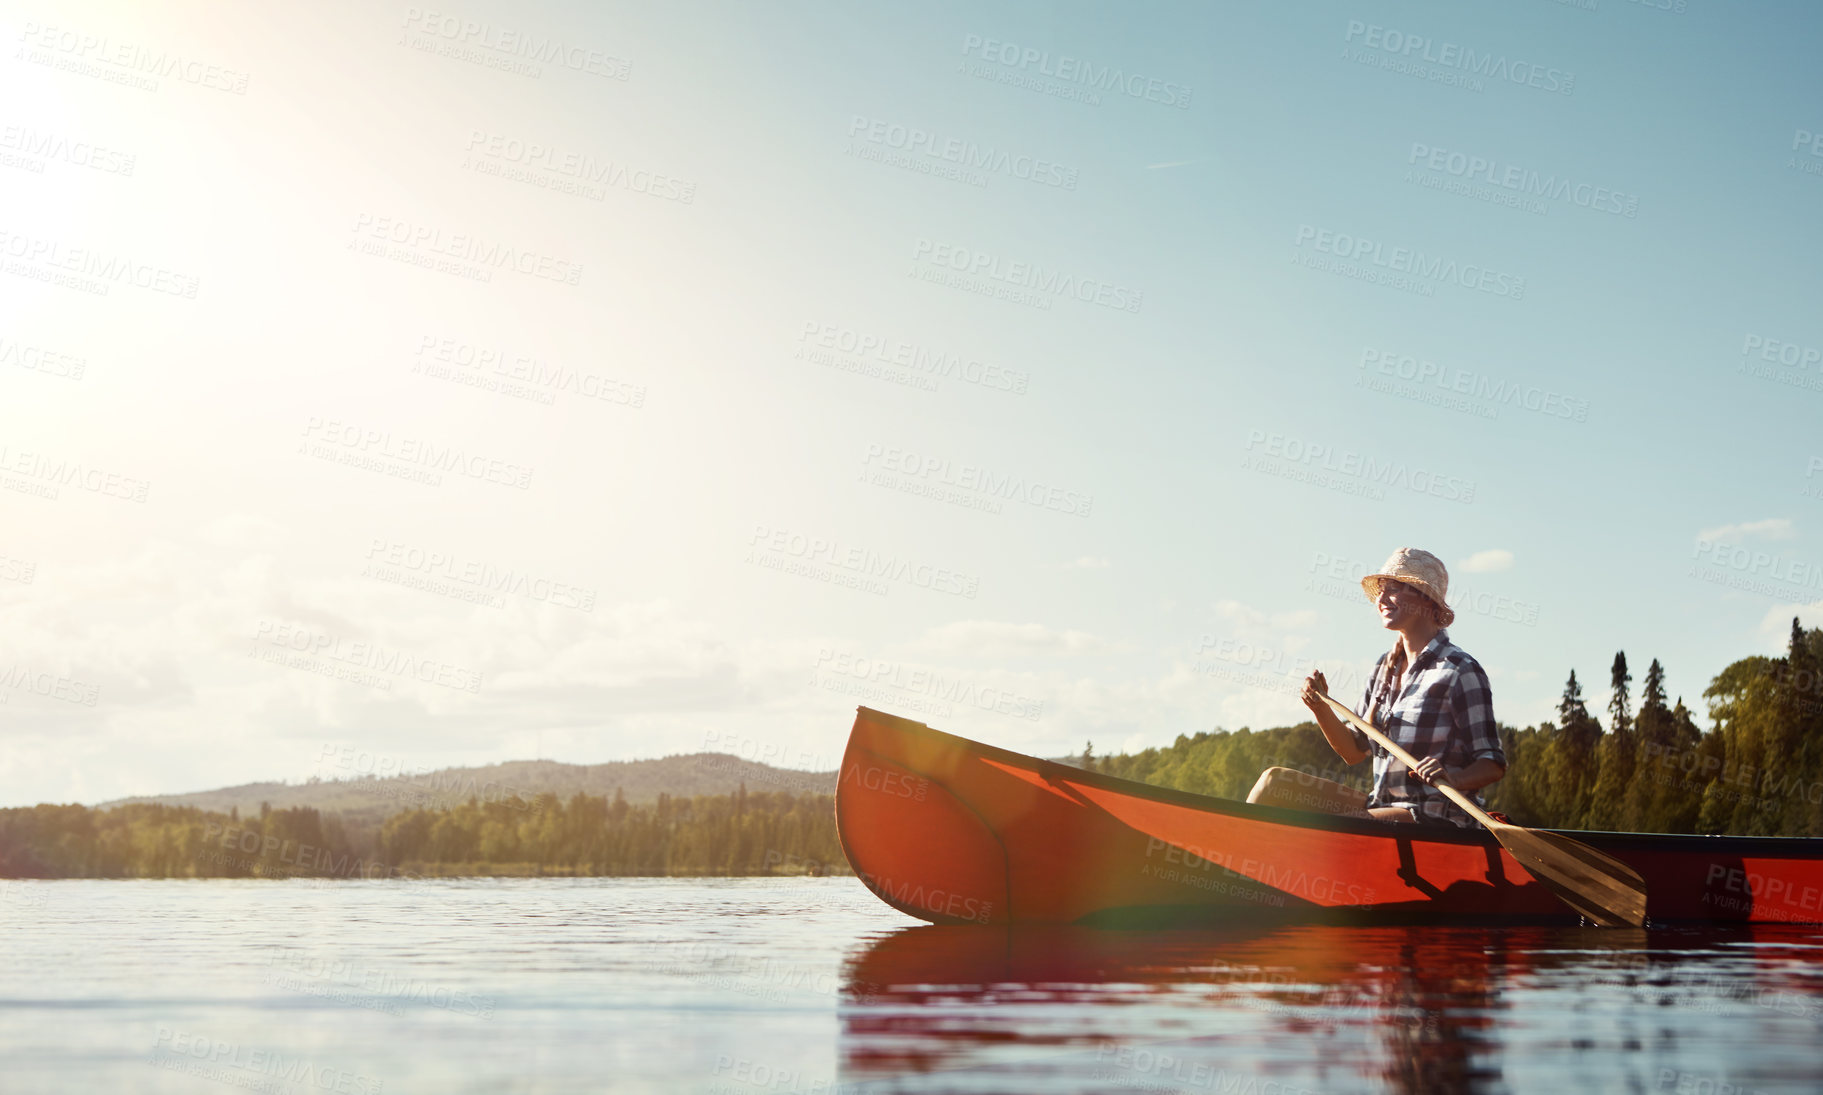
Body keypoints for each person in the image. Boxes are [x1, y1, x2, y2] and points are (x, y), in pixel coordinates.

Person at [1245, 547, 1505, 825]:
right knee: (1274, 783)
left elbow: (1492, 763)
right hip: (1381, 806)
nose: (1381, 598)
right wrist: (1320, 708)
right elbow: (1354, 751)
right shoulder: (1384, 668)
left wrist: (1453, 778)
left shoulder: (1460, 670)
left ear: (1427, 600)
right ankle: (1231, 863)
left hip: (1434, 816)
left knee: (1340, 828)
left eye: (1394, 588)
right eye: (1381, 589)